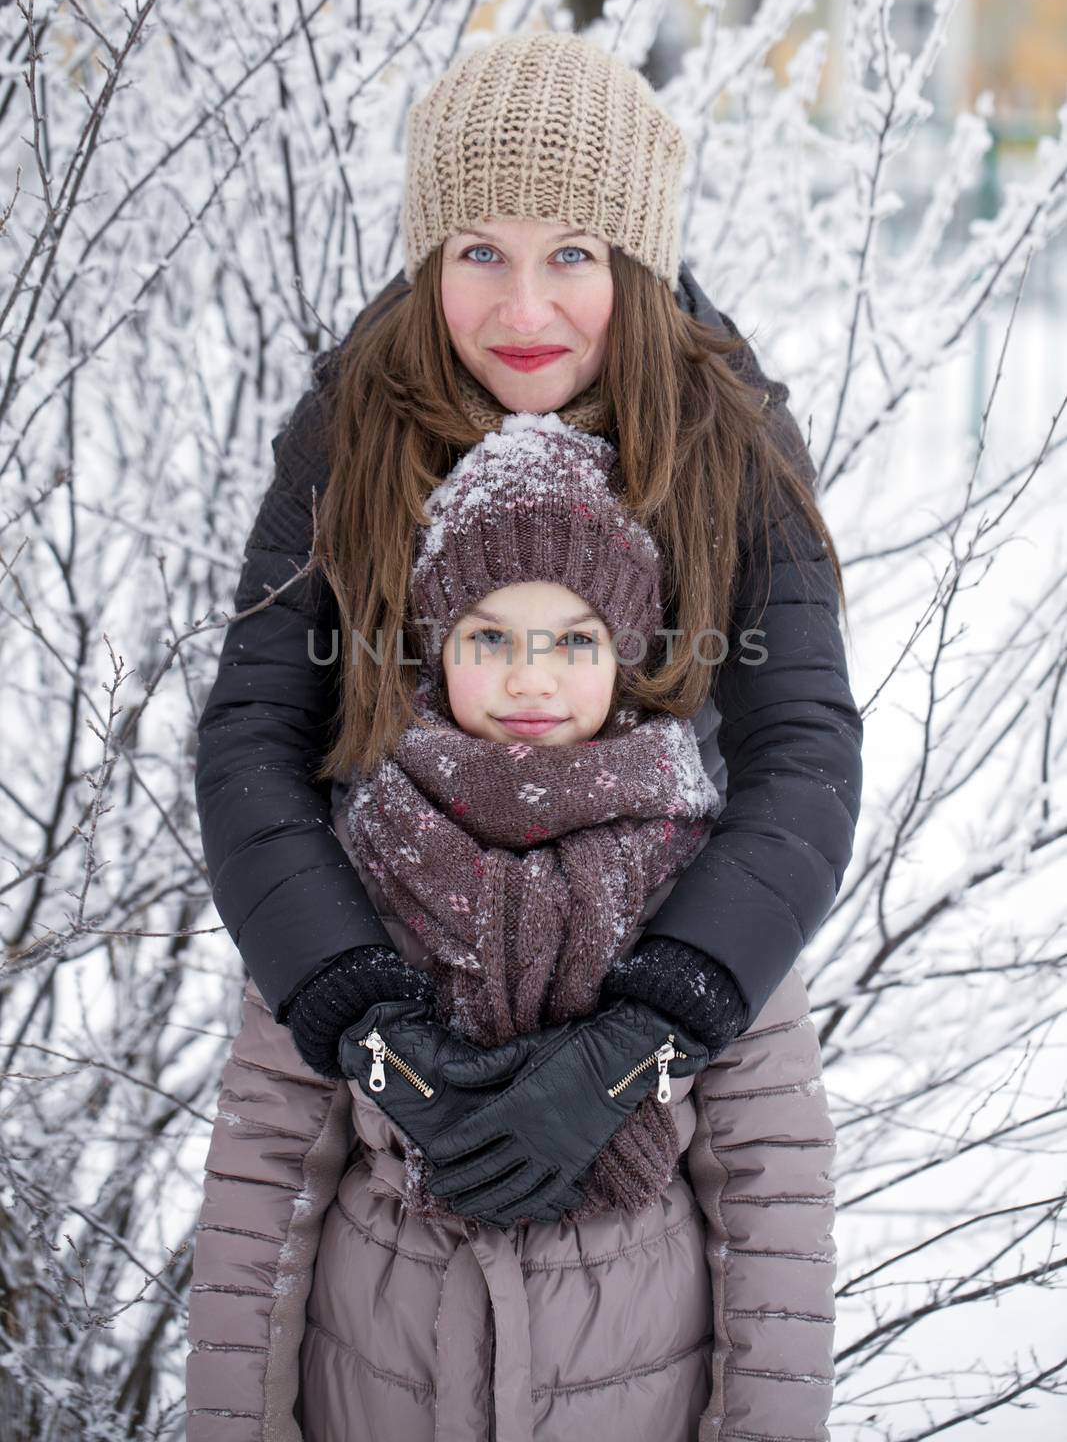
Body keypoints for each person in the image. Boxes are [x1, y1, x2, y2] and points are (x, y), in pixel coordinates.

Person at [186, 414, 839, 1441]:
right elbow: (263, 1175)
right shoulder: (358, 860)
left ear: (626, 654)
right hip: (372, 1385)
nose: (529, 679)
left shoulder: (697, 874)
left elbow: (774, 1193)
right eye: (488, 637)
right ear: (434, 646)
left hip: (636, 1387)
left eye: (573, 640)